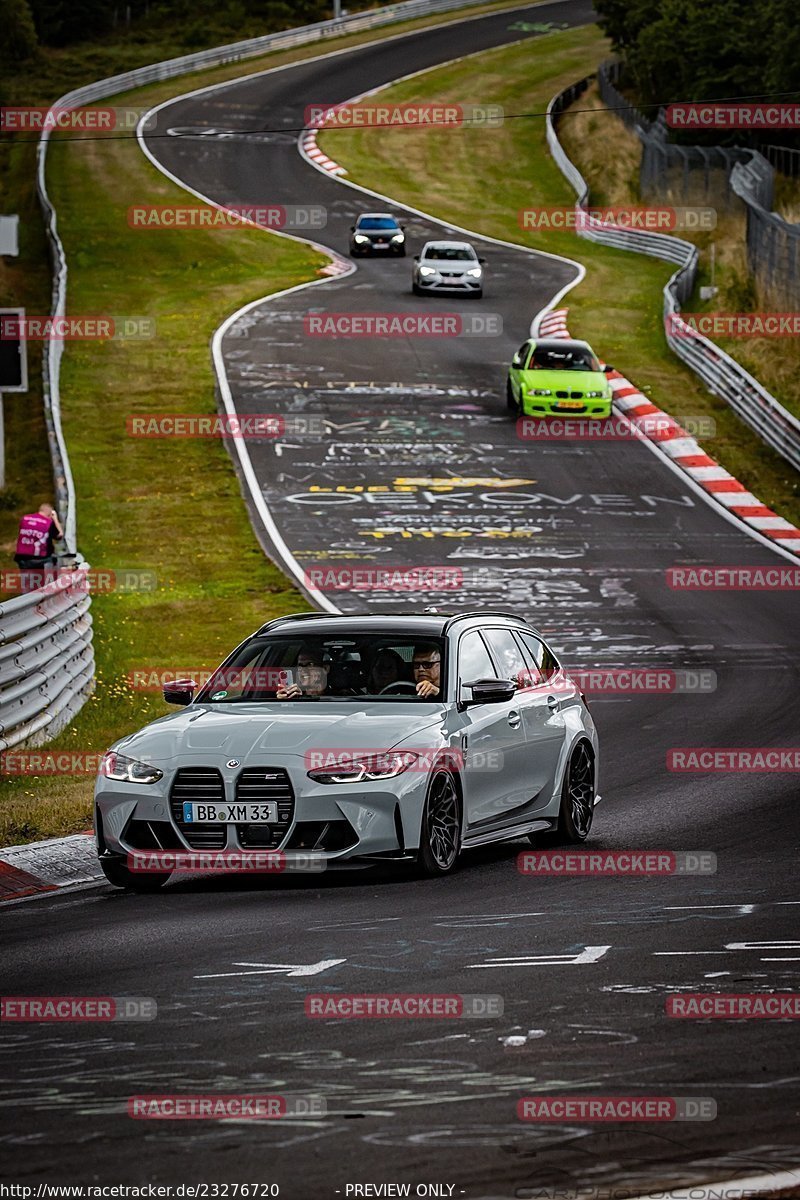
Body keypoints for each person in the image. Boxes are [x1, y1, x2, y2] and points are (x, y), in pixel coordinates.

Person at [14, 504, 63, 570]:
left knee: (26, 578)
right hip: (41, 558)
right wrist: (55, 519)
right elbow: (59, 535)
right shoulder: (48, 522)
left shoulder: (24, 519)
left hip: (22, 557)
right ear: (50, 514)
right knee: (53, 563)